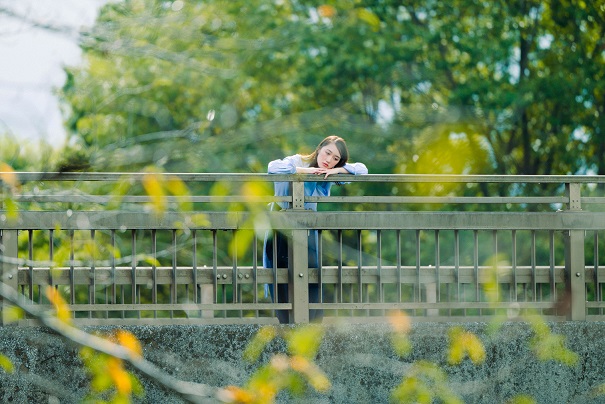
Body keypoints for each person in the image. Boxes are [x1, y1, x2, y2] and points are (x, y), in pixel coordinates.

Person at [263, 135, 368, 323]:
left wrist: (338, 171)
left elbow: (362, 170)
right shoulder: (296, 161)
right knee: (281, 281)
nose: (329, 160)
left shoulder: (330, 172)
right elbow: (272, 167)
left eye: (335, 158)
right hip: (280, 229)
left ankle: (311, 332)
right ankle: (286, 330)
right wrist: (305, 171)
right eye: (327, 153)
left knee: (311, 278)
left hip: (307, 231)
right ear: (319, 149)